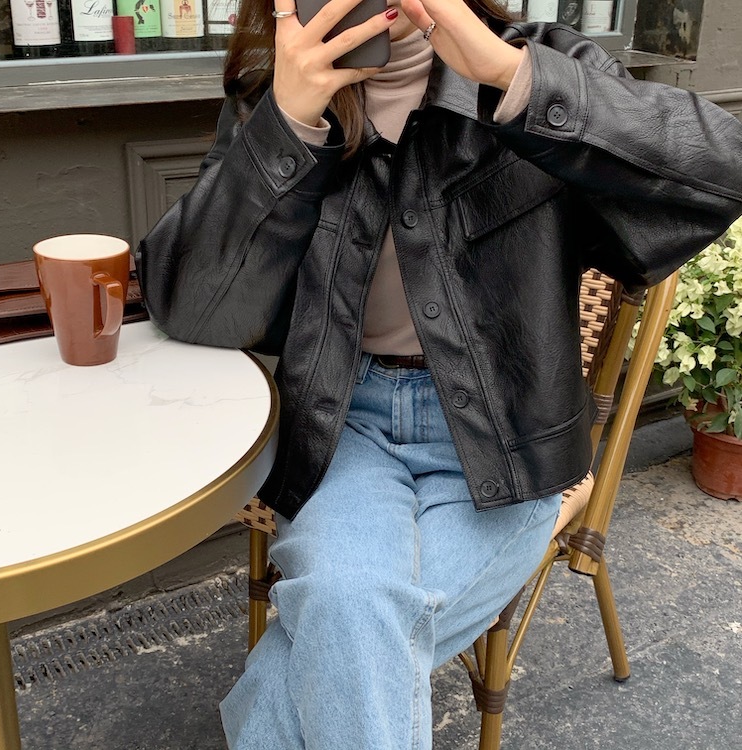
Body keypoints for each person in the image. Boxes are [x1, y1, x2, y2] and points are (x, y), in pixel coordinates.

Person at [136, 0, 742, 747]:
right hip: (342, 427)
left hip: (506, 438)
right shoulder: (276, 95)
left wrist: (509, 74)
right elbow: (189, 306)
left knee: (341, 620)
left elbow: (723, 167)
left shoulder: (534, 61)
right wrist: (287, 126)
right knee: (353, 607)